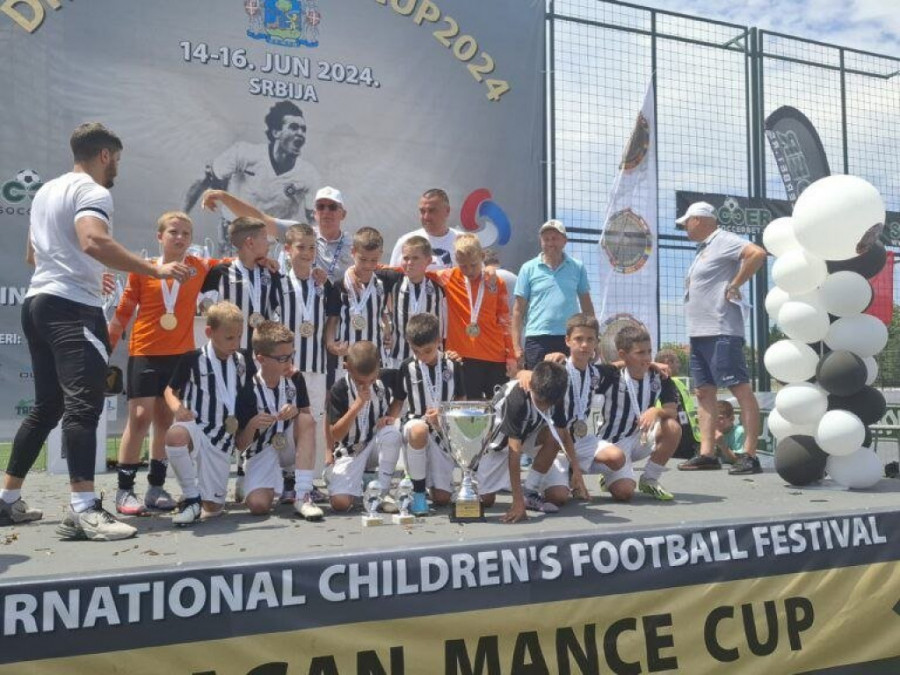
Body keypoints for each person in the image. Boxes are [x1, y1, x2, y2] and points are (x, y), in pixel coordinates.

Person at [0, 123, 189, 540]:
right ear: (104, 155)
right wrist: (155, 270)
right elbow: (93, 241)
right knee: (83, 407)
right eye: (116, 160)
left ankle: (6, 499)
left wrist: (85, 272)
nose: (116, 167)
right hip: (71, 308)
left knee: (48, 407)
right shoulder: (93, 191)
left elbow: (33, 255)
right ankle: (84, 510)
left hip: (39, 302)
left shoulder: (46, 192)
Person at [108, 211, 222, 516]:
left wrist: (265, 259)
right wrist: (107, 344)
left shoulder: (199, 266)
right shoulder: (143, 269)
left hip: (179, 356)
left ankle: (156, 487)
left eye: (186, 233)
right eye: (173, 232)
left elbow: (232, 263)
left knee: (165, 421)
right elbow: (124, 310)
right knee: (140, 417)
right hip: (145, 352)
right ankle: (124, 490)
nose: (180, 238)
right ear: (160, 236)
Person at [676, 201, 766, 475]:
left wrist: (736, 284)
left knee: (740, 389)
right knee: (704, 392)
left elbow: (757, 253)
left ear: (700, 219)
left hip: (722, 330)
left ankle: (749, 454)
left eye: (687, 222)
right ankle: (707, 453)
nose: (684, 227)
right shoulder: (704, 249)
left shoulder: (724, 239)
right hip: (699, 333)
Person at [163, 302, 256, 525]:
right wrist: (177, 408)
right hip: (197, 427)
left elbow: (250, 394)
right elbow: (169, 390)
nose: (235, 343)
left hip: (223, 439)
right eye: (229, 338)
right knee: (175, 435)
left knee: (213, 510)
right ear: (209, 332)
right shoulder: (192, 358)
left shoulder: (243, 360)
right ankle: (191, 498)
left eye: (239, 337)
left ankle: (205, 500)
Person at [235, 321, 322, 520]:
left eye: (291, 355)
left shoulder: (295, 378)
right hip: (261, 449)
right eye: (283, 358)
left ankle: (303, 495)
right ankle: (257, 479)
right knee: (258, 506)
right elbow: (240, 444)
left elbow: (307, 419)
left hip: (288, 445)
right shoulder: (248, 389)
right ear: (261, 359)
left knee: (306, 419)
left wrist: (295, 411)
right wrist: (252, 425)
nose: (289, 362)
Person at [476, 361, 580, 523]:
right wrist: (517, 503)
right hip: (499, 446)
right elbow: (514, 450)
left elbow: (563, 431)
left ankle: (530, 492)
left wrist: (577, 471)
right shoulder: (516, 397)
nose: (544, 407)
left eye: (548, 404)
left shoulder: (555, 392)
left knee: (558, 495)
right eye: (540, 401)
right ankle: (473, 477)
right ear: (531, 387)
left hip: (528, 436)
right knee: (485, 500)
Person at [184, 101, 320, 224]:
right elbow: (204, 180)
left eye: (303, 129)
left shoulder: (308, 174)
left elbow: (313, 218)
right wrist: (181, 218)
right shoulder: (244, 153)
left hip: (275, 238)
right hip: (235, 231)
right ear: (276, 132)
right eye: (294, 127)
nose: (300, 133)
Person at [270, 223, 331, 499]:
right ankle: (285, 478)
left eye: (311, 248)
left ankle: (306, 479)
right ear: (287, 249)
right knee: (284, 421)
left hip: (316, 366)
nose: (307, 253)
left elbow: (333, 319)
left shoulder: (323, 285)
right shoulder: (278, 284)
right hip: (287, 367)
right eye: (301, 247)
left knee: (312, 422)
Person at [592, 325, 682, 502]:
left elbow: (672, 411)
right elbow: (587, 373)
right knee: (625, 493)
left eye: (649, 352)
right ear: (623, 354)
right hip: (613, 444)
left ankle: (650, 479)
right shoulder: (611, 376)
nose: (647, 358)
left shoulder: (660, 377)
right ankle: (609, 474)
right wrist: (624, 364)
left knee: (672, 427)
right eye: (640, 353)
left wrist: (656, 410)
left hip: (640, 438)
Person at [202, 185, 354, 284]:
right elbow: (260, 219)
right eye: (321, 207)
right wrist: (223, 197)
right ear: (314, 213)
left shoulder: (353, 245)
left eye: (332, 207)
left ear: (343, 214)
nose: (326, 211)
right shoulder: (299, 233)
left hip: (335, 316)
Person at [393, 313, 465, 515]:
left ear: (438, 341)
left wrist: (443, 415)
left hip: (442, 432)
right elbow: (398, 400)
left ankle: (425, 482)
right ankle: (418, 494)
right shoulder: (406, 366)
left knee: (442, 499)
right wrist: (388, 419)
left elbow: (461, 401)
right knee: (418, 429)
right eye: (416, 351)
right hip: (416, 425)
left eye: (427, 351)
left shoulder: (453, 364)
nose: (422, 357)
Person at [434, 234, 515, 400]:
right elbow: (414, 270)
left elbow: (505, 320)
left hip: (495, 356)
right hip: (461, 356)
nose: (469, 270)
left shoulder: (495, 281)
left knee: (497, 408)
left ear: (482, 257)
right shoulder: (448, 277)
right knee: (466, 410)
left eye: (473, 264)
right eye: (463, 266)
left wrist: (512, 356)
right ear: (456, 260)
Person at [326, 341, 403, 513]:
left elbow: (401, 395)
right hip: (350, 450)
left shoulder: (388, 377)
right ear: (347, 368)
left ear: (379, 367)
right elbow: (336, 434)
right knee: (340, 503)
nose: (367, 385)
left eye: (372, 379)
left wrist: (390, 416)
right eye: (360, 381)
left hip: (376, 443)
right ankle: (356, 480)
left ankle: (382, 491)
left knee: (392, 434)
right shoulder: (339, 389)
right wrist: (357, 405)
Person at [512, 220, 594, 369]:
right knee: (537, 381)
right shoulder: (528, 268)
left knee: (571, 379)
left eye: (555, 238)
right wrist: (516, 346)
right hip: (537, 338)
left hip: (570, 337)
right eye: (546, 239)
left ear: (564, 241)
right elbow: (518, 310)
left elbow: (586, 305)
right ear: (541, 242)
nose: (550, 243)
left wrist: (595, 339)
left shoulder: (577, 267)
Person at [325, 227, 400, 380]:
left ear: (380, 255)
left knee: (376, 394)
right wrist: (331, 343)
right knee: (348, 394)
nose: (368, 265)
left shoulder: (384, 280)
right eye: (363, 259)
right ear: (353, 252)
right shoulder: (340, 285)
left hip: (376, 357)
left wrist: (388, 330)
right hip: (347, 358)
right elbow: (333, 318)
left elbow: (381, 312)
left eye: (373, 260)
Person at [385, 235, 446, 368]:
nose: (409, 263)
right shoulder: (393, 281)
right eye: (406, 258)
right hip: (399, 357)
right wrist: (350, 271)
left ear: (428, 260)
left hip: (432, 358)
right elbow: (368, 268)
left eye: (415, 258)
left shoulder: (439, 285)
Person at [389, 188, 462, 270]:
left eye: (432, 211)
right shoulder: (405, 242)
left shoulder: (464, 241)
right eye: (422, 211)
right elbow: (393, 276)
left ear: (447, 211)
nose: (426, 217)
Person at [655, 348, 700, 460]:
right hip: (673, 438)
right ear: (668, 362)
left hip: (690, 440)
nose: (679, 365)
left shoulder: (679, 383)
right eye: (677, 362)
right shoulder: (659, 384)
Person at [713, 400, 745, 465]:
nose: (716, 421)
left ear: (732, 419)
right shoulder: (710, 432)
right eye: (713, 418)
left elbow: (739, 461)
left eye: (720, 418)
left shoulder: (740, 432)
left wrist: (721, 444)